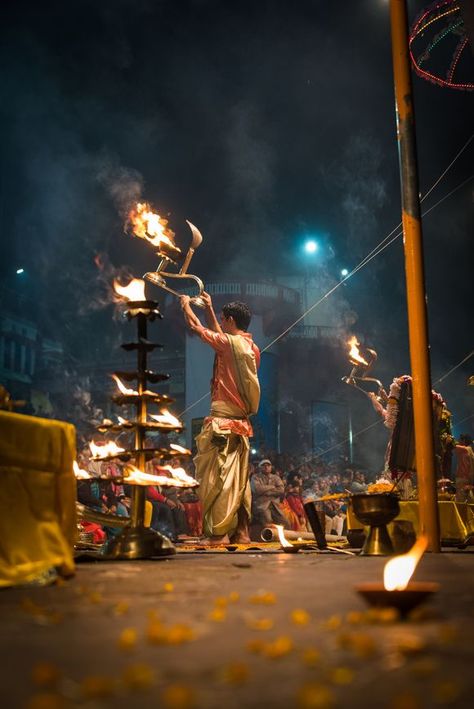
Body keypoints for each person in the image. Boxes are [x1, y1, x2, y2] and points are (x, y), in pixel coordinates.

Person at [180, 292, 260, 545]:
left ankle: (218, 534)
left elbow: (196, 327)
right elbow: (221, 336)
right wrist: (211, 308)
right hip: (241, 425)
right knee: (239, 481)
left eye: (224, 320)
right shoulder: (249, 347)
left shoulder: (228, 344)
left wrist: (185, 305)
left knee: (219, 480)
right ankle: (242, 532)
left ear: (231, 321)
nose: (221, 324)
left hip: (223, 423)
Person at [251, 459, 288, 527]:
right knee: (268, 520)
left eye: (268, 465)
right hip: (262, 505)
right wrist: (272, 486)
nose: (266, 467)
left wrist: (268, 493)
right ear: (260, 467)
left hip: (275, 505)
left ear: (271, 467)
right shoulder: (255, 477)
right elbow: (257, 489)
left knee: (285, 522)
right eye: (264, 465)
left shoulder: (276, 477)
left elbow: (281, 490)